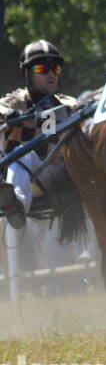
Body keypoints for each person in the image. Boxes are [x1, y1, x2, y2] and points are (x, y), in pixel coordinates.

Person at [0, 41, 77, 230]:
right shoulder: (15, 101)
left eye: (55, 68)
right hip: (25, 173)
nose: (51, 74)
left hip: (61, 171)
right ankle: (15, 207)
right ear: (27, 73)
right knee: (21, 154)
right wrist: (8, 115)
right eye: (42, 68)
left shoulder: (70, 104)